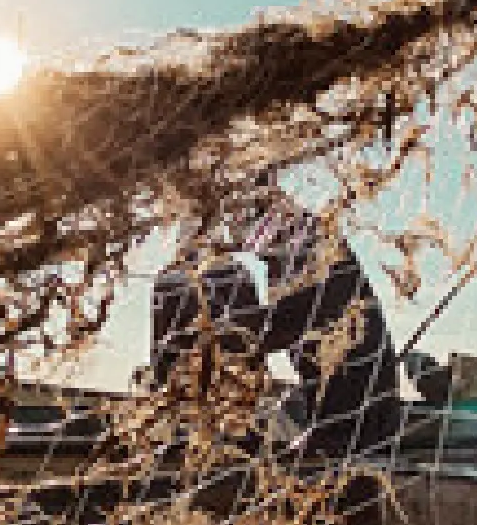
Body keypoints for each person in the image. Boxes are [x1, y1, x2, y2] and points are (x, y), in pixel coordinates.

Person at [148, 189, 410, 461]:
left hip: (358, 434)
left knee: (204, 286)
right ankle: (202, 431)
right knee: (211, 285)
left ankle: (207, 433)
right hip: (335, 424)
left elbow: (256, 336)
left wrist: (208, 294)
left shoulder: (318, 262)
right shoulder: (296, 262)